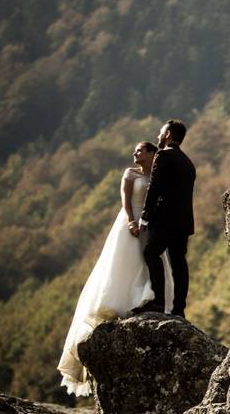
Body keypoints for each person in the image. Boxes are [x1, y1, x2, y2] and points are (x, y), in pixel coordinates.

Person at [57, 141, 174, 396]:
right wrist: (132, 221)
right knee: (126, 261)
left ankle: (146, 297)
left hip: (150, 223)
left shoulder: (156, 174)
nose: (135, 153)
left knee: (149, 261)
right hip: (130, 221)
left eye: (141, 150)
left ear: (152, 153)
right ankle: (123, 301)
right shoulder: (129, 174)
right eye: (135, 150)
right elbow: (125, 200)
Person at [135, 119, 195, 318]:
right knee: (179, 263)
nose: (158, 137)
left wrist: (145, 215)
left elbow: (155, 187)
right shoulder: (188, 162)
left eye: (160, 133)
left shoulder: (163, 155)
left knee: (151, 253)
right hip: (184, 221)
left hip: (165, 219)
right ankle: (179, 309)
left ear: (168, 134)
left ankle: (158, 302)